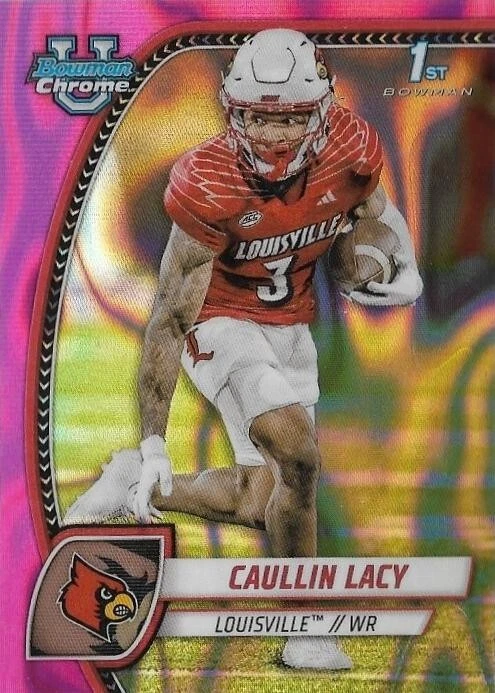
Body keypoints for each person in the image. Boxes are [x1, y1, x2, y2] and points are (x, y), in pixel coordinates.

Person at [65, 28, 423, 669]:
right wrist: (155, 438)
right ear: (234, 111)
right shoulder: (209, 180)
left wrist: (393, 261)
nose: (271, 135)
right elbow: (171, 315)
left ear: (320, 113)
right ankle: (305, 629)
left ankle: (133, 485)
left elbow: (376, 213)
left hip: (291, 327)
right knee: (300, 456)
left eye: (288, 119)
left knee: (264, 497)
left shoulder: (350, 146)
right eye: (257, 117)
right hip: (219, 323)